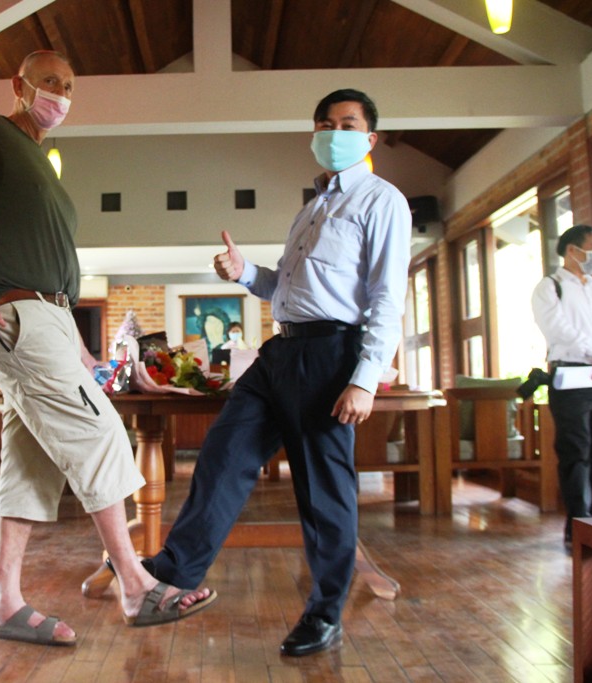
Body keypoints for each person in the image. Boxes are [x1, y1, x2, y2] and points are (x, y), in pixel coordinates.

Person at [0, 50, 215, 647]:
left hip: (52, 318)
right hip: (14, 313)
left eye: (70, 86)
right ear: (20, 84)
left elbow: (51, 271)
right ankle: (135, 583)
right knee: (99, 431)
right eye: (50, 81)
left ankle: (4, 601)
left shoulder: (42, 165)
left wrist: (79, 345)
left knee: (30, 460)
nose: (61, 93)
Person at [146, 88, 411, 657]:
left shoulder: (381, 200)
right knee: (222, 455)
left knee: (322, 494)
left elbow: (388, 296)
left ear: (369, 138)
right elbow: (285, 290)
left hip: (331, 356)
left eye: (347, 124)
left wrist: (364, 378)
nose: (333, 133)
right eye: (324, 123)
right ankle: (176, 570)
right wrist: (245, 271)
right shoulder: (311, 209)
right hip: (280, 352)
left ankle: (325, 613)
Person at [530, 224, 592, 545]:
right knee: (576, 450)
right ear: (573, 250)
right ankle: (579, 524)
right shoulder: (550, 287)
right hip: (571, 377)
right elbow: (558, 329)